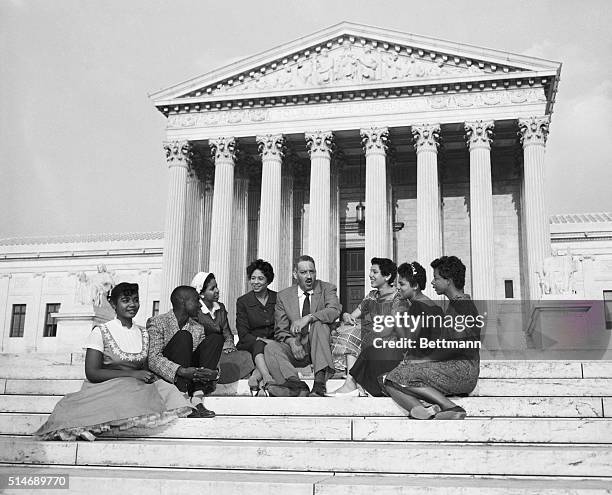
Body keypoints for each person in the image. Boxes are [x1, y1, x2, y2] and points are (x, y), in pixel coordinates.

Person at [34, 283, 193, 440]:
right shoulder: (101, 332)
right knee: (126, 390)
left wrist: (146, 376)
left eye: (135, 300)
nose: (132, 305)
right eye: (125, 300)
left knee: (165, 389)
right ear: (113, 304)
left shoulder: (144, 333)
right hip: (106, 385)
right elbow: (92, 372)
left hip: (136, 387)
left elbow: (144, 368)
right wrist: (132, 374)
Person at [383, 256, 481, 420]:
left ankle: (450, 407)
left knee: (394, 377)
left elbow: (457, 346)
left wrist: (424, 360)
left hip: (461, 371)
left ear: (448, 281)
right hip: (457, 368)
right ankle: (424, 411)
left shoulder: (461, 306)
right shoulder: (457, 304)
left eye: (436, 278)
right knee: (390, 379)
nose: (432, 283)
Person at [264, 255, 341, 397]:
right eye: (303, 272)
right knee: (271, 347)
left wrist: (309, 318)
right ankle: (296, 385)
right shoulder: (284, 296)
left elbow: (334, 310)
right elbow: (280, 330)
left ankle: (319, 384)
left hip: (321, 345)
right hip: (298, 347)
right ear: (295, 274)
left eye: (312, 272)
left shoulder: (327, 288)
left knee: (319, 324)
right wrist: (291, 342)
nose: (309, 276)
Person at [334, 258, 406, 397]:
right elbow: (353, 315)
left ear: (387, 276)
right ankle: (352, 382)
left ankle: (352, 383)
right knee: (351, 329)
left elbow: (392, 326)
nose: (370, 275)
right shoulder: (372, 296)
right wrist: (347, 317)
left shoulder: (398, 297)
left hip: (391, 343)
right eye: (370, 271)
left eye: (375, 272)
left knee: (357, 332)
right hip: (375, 337)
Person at [147, 285, 223, 418]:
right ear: (183, 302)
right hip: (171, 377)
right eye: (196, 300)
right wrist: (180, 370)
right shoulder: (157, 322)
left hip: (192, 378)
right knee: (184, 336)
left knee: (216, 339)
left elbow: (203, 357)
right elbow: (153, 359)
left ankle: (197, 399)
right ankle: (182, 400)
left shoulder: (198, 328)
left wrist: (214, 373)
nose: (200, 305)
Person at [191, 271, 254, 387]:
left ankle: (225, 376)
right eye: (212, 288)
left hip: (224, 350)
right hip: (206, 352)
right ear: (201, 293)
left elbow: (226, 331)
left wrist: (229, 344)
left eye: (216, 287)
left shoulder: (220, 307)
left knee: (246, 356)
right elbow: (197, 337)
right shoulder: (196, 311)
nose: (217, 291)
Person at [235, 259, 277, 396]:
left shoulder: (278, 298)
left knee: (269, 347)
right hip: (249, 342)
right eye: (253, 278)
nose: (255, 282)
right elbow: (242, 332)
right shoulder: (243, 301)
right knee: (260, 344)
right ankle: (266, 376)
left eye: (260, 278)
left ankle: (255, 376)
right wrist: (262, 340)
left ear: (268, 281)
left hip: (273, 341)